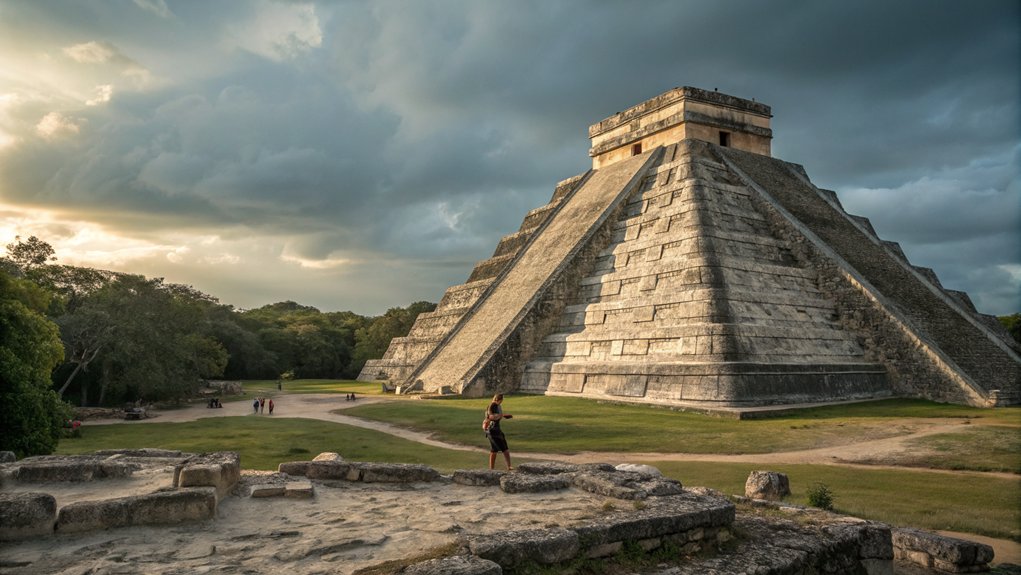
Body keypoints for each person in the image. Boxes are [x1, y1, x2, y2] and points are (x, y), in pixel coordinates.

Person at [485, 393, 514, 470]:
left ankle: (508, 466)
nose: (502, 402)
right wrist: (501, 416)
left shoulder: (497, 406)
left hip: (496, 430)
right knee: (497, 450)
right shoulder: (492, 405)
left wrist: (504, 416)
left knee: (502, 449)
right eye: (501, 400)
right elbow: (490, 417)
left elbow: (497, 415)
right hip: (492, 431)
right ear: (498, 400)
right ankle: (493, 469)